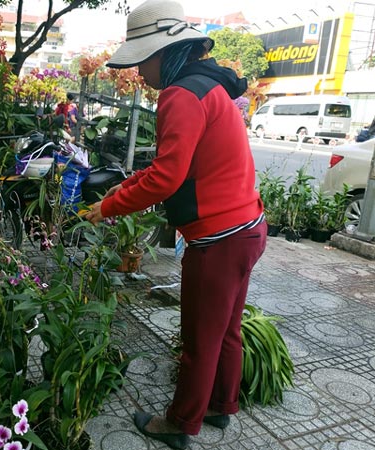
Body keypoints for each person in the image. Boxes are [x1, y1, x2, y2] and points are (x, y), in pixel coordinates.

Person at [84, 1, 267, 449]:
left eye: (142, 60)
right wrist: (122, 192)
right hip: (248, 227)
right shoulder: (208, 86)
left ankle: (181, 424)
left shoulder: (180, 94)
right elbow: (174, 167)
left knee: (199, 340)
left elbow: (166, 178)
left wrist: (106, 208)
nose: (139, 73)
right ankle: (222, 408)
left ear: (164, 53)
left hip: (219, 237)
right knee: (226, 330)